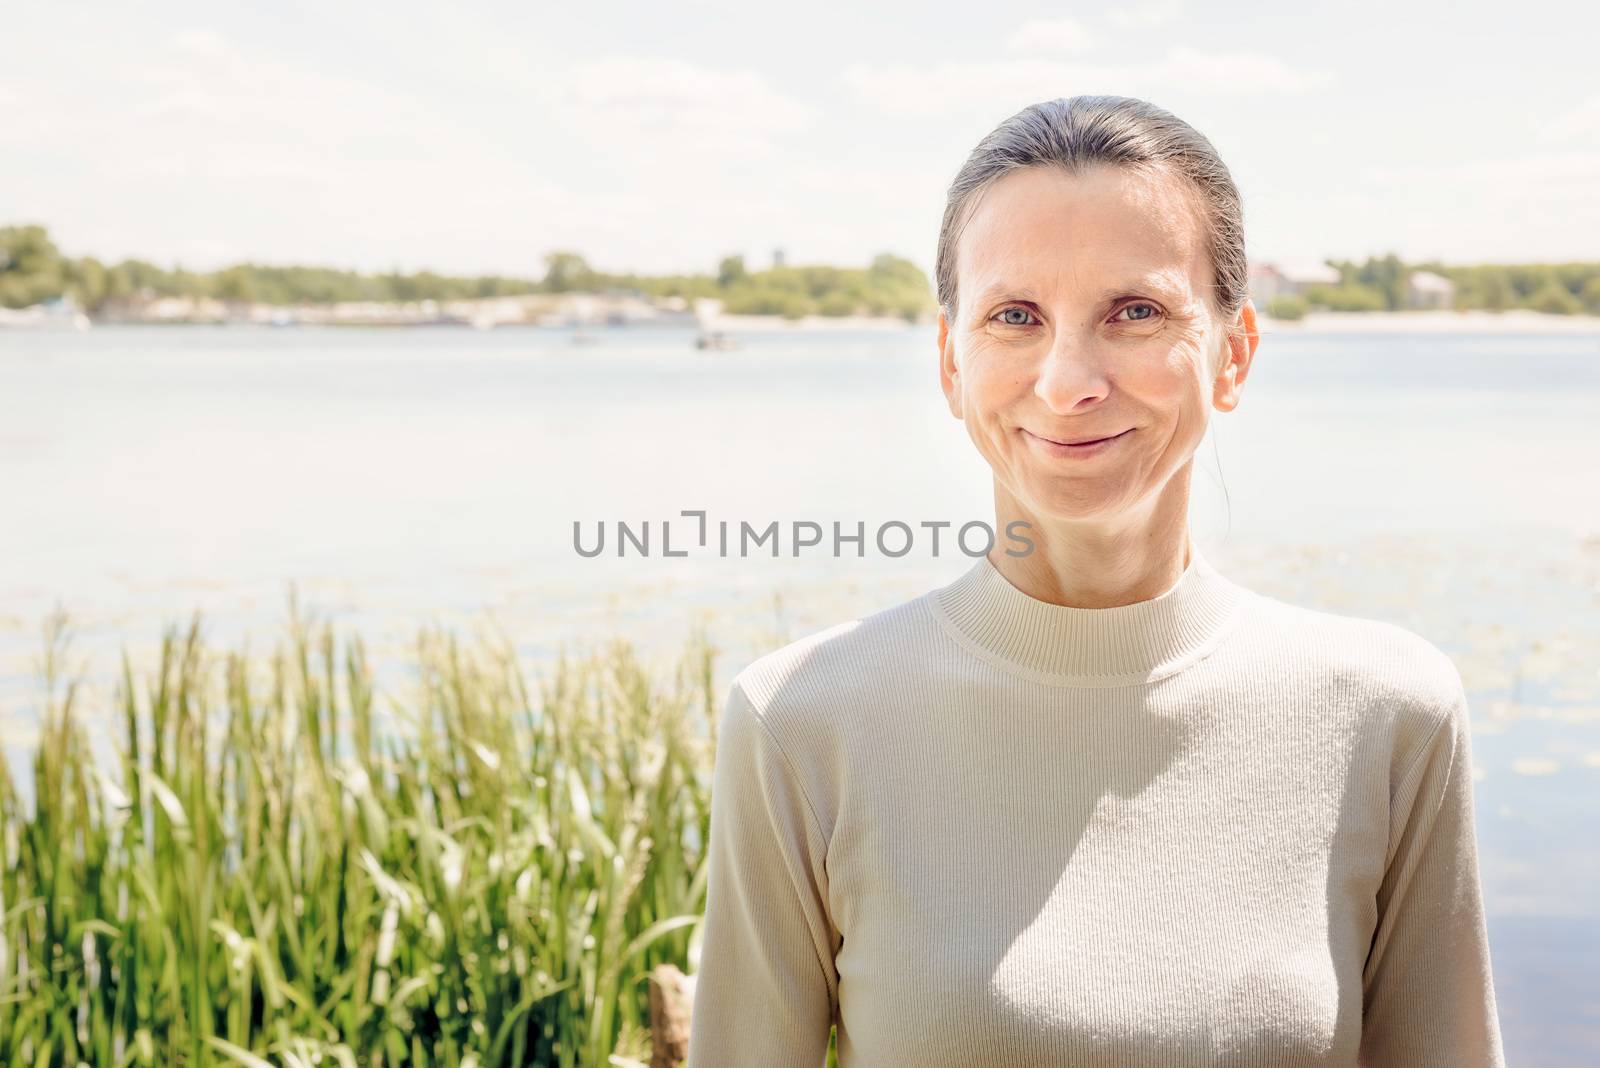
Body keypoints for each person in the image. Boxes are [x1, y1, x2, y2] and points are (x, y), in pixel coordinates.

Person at [685, 94, 1504, 1067]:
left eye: (1135, 311)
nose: (1068, 381)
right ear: (950, 363)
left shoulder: (1388, 716)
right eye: (1015, 315)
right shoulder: (801, 723)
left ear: (1233, 353)